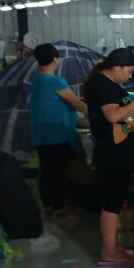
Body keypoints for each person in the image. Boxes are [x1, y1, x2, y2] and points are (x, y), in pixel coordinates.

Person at [82, 48, 134, 267]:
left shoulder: (108, 84)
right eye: (128, 71)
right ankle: (108, 252)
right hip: (112, 152)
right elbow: (113, 115)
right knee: (112, 202)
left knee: (115, 200)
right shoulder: (102, 85)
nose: (130, 75)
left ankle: (113, 247)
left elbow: (120, 114)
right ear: (116, 67)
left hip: (119, 150)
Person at [29, 43, 87, 219]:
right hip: (56, 134)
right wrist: (100, 113)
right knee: (57, 173)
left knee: (46, 171)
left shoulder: (36, 80)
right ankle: (58, 210)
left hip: (41, 133)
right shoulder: (55, 81)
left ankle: (48, 207)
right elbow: (75, 103)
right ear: (55, 59)